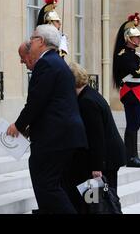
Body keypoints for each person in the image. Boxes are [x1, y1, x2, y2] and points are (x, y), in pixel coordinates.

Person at [7, 25, 88, 214]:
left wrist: (18, 126)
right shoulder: (56, 62)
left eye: (33, 38)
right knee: (52, 184)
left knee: (47, 186)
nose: (30, 41)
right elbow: (51, 102)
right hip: (63, 135)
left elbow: (36, 101)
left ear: (41, 42)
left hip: (55, 138)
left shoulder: (46, 63)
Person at [67, 62, 127, 213]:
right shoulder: (89, 94)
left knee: (101, 202)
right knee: (100, 200)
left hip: (105, 161)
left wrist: (96, 167)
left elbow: (96, 136)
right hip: (107, 158)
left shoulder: (87, 101)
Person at [113, 13, 140, 168]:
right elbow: (135, 71)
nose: (139, 39)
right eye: (136, 37)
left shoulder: (135, 55)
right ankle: (130, 157)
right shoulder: (123, 55)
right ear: (128, 38)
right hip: (132, 92)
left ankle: (132, 155)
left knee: (135, 125)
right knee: (132, 125)